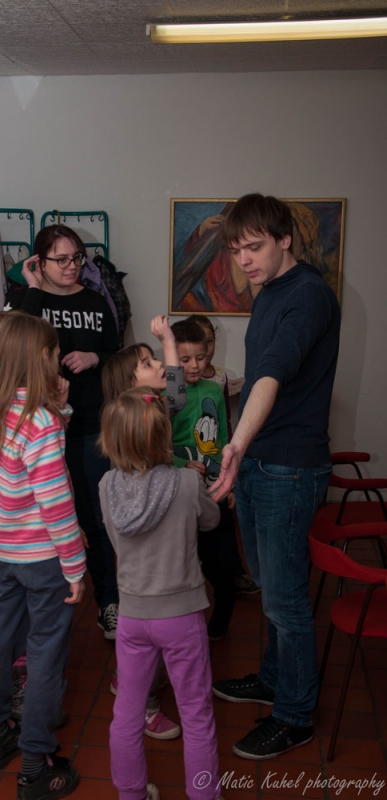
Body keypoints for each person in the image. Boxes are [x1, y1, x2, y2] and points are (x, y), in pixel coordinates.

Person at [210, 193, 340, 760]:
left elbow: (271, 373)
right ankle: (272, 678)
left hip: (289, 467)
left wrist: (235, 446)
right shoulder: (268, 294)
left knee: (286, 601)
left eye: (255, 247)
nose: (245, 260)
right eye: (236, 250)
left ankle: (294, 715)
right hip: (261, 460)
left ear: (286, 239)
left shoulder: (309, 295)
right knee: (269, 590)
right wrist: (243, 450)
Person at [0, 312, 86, 799]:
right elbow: (55, 503)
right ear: (40, 358)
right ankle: (36, 762)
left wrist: (58, 410)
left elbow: (15, 469)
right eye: (54, 353)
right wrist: (75, 566)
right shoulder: (40, 421)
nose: (58, 359)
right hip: (43, 557)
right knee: (44, 653)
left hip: (3, 550)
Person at [98, 387, 223, 800]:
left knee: (127, 713)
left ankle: (131, 794)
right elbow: (211, 520)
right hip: (182, 616)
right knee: (196, 714)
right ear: (164, 436)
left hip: (133, 614)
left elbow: (116, 540)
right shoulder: (187, 483)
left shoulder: (106, 486)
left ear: (111, 439)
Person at [18, 225, 120, 639]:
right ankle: (46, 612)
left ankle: (108, 602)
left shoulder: (95, 300)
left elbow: (116, 352)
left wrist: (95, 358)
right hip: (40, 429)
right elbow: (13, 347)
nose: (72, 266)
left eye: (77, 258)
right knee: (44, 521)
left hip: (89, 424)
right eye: (61, 259)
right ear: (39, 262)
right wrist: (32, 289)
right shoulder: (28, 301)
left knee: (96, 518)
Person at [102, 315, 186, 741]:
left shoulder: (145, 413)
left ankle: (129, 680)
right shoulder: (147, 414)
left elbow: (177, 387)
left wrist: (167, 340)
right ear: (130, 385)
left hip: (140, 560)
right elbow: (178, 389)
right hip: (151, 557)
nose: (160, 367)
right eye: (148, 364)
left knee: (140, 631)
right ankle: (147, 706)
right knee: (149, 633)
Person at [169, 319, 237, 641]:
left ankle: (220, 623)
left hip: (214, 490)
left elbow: (223, 437)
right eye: (185, 360)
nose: (195, 365)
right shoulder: (168, 395)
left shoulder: (214, 389)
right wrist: (182, 463)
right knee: (184, 563)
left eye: (200, 357)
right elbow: (156, 446)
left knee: (223, 562)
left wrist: (228, 479)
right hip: (179, 494)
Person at [187, 314, 260, 599]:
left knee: (222, 527)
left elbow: (223, 425)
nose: (205, 350)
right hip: (187, 470)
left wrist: (229, 471)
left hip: (215, 467)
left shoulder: (218, 379)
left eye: (209, 341)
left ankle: (231, 576)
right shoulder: (175, 386)